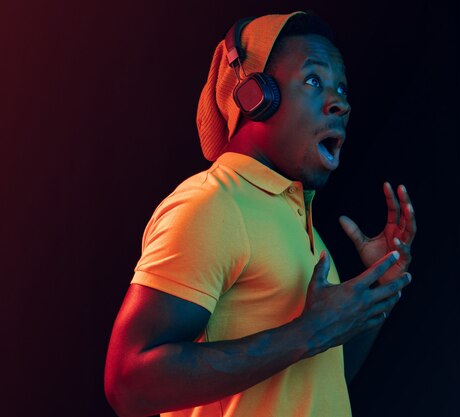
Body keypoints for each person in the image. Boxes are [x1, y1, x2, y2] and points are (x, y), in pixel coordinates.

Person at [104, 11, 416, 417]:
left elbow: (321, 379)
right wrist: (308, 332)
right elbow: (130, 384)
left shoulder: (301, 225)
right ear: (256, 97)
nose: (340, 102)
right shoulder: (212, 204)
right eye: (313, 80)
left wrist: (378, 293)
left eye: (341, 87)